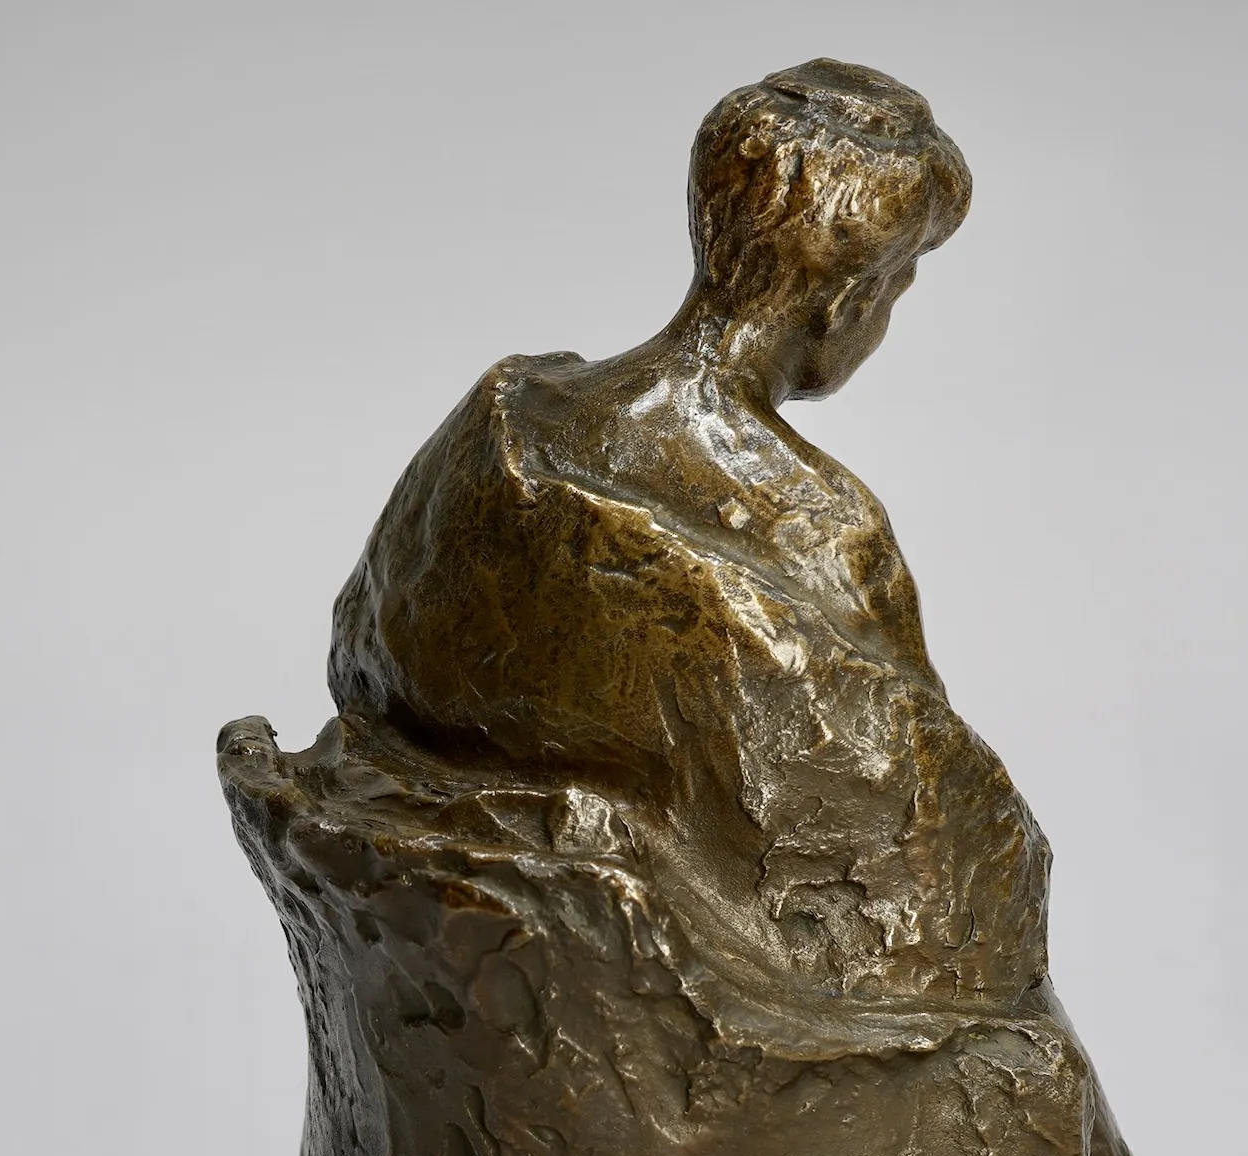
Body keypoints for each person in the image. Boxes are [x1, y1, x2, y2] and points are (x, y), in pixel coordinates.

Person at [330, 60, 1047, 1051]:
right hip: (702, 1021)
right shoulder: (822, 533)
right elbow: (932, 866)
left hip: (466, 992)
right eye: (900, 287)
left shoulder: (503, 421)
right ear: (849, 302)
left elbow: (362, 666)